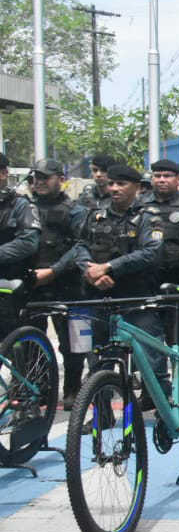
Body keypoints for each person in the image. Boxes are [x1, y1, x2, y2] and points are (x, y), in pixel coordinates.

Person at [71, 164, 164, 389]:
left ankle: (165, 418)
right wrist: (91, 271)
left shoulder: (149, 217)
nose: (114, 188)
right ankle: (101, 418)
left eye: (121, 184)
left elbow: (151, 253)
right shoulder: (96, 215)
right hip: (102, 299)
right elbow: (80, 245)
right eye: (111, 183)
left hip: (138, 300)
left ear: (137, 188)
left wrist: (109, 267)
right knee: (98, 368)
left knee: (153, 365)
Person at [26, 159, 88, 403]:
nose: (39, 182)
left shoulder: (75, 210)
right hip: (32, 284)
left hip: (67, 284)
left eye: (45, 177)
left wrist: (53, 271)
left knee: (72, 344)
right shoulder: (25, 207)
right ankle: (39, 389)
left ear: (61, 180)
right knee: (31, 340)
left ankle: (72, 389)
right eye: (36, 178)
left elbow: (80, 246)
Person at [138, 158, 179, 346]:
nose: (161, 180)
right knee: (149, 340)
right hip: (148, 281)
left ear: (178, 179)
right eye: (157, 176)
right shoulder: (140, 204)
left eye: (167, 176)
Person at [0, 153, 41, 327]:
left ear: (3, 173)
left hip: (9, 285)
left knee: (11, 342)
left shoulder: (20, 205)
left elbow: (28, 243)